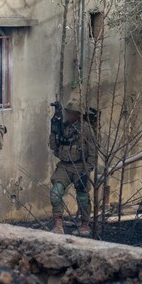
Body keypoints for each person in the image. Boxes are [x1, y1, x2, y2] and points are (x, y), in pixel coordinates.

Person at [48, 96, 97, 236]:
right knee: (55, 193)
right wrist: (54, 129)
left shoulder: (86, 129)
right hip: (64, 166)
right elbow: (53, 146)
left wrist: (87, 170)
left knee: (82, 196)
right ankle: (58, 224)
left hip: (80, 166)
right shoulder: (63, 126)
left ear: (78, 114)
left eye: (71, 112)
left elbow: (93, 152)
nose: (68, 114)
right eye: (67, 112)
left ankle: (85, 224)